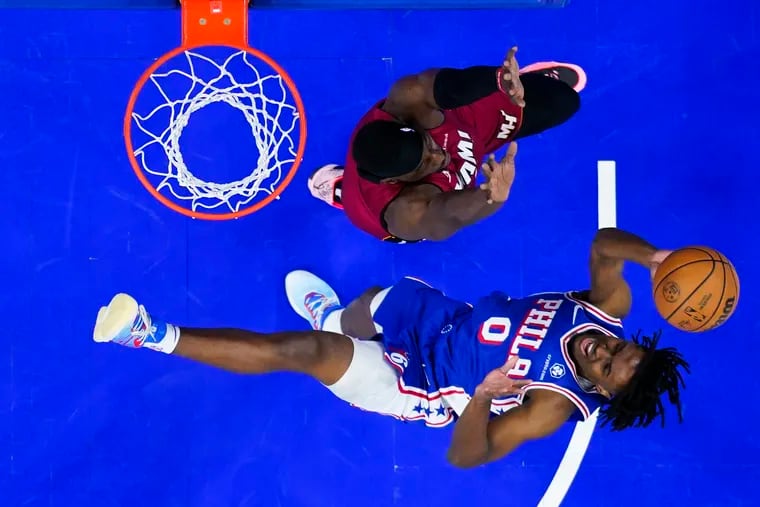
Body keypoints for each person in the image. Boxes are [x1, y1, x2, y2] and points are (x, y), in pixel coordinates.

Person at [92, 227, 690, 468]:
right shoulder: (604, 310)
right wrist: (654, 258)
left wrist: (482, 397)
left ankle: (147, 333)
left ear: (603, 392)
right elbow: (606, 245)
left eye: (606, 370)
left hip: (429, 387)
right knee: (371, 300)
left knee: (304, 352)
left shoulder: (553, 405)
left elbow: (469, 455)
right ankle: (337, 316)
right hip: (445, 323)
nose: (599, 354)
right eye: (619, 352)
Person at [307, 47, 586, 243]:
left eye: (426, 144)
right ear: (396, 180)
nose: (439, 155)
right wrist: (490, 195)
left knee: (563, 101)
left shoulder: (406, 101)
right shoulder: (408, 211)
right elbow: (447, 217)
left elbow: (441, 84)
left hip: (466, 125)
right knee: (362, 205)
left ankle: (524, 82)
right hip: (391, 203)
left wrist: (499, 80)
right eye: (425, 163)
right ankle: (345, 188)